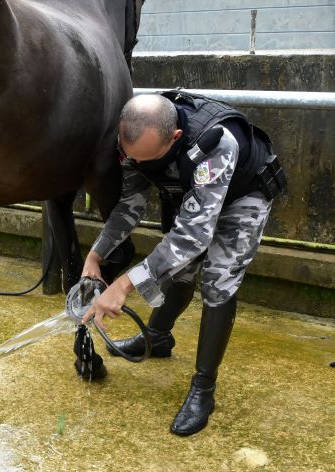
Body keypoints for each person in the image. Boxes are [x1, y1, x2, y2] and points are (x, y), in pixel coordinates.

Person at [81, 90, 286, 436]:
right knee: (178, 268)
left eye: (148, 160)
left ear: (174, 138)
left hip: (243, 193)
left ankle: (203, 390)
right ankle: (158, 337)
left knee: (217, 282)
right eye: (133, 159)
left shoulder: (213, 145)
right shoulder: (134, 139)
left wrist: (123, 284)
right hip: (193, 194)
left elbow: (193, 238)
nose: (139, 165)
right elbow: (129, 205)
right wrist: (95, 255)